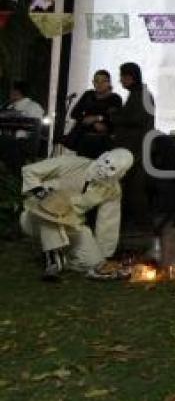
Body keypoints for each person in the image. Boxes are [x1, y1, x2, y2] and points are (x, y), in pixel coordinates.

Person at [19, 148, 134, 280]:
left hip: (72, 223)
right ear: (103, 155)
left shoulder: (112, 190)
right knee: (51, 212)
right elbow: (29, 171)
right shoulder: (73, 163)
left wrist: (104, 255)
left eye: (112, 168)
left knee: (94, 262)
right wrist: (41, 193)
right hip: (36, 217)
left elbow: (108, 223)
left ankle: (63, 255)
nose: (104, 169)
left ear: (120, 174)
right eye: (106, 162)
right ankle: (54, 261)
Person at [111, 62, 155, 230]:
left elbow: (136, 119)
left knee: (134, 189)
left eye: (122, 76)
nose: (120, 80)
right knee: (131, 189)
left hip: (136, 149)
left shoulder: (141, 95)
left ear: (130, 77)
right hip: (134, 148)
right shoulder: (138, 94)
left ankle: (142, 226)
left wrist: (115, 116)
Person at [63, 70, 122, 158]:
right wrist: (89, 120)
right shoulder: (88, 94)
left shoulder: (115, 98)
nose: (99, 84)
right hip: (83, 137)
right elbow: (74, 113)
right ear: (93, 82)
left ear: (109, 83)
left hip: (102, 139)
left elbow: (115, 119)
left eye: (103, 81)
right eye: (96, 81)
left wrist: (98, 118)